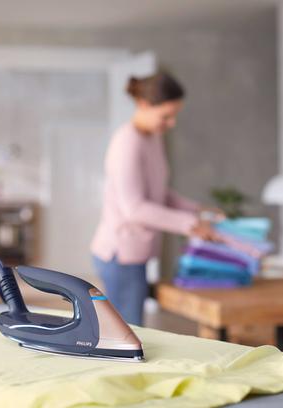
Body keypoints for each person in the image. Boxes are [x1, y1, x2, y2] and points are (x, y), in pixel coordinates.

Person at [90, 70, 223, 326]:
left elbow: (159, 193)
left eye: (174, 115)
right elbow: (135, 208)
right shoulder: (127, 143)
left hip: (134, 253)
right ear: (143, 104)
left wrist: (199, 210)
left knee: (131, 329)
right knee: (128, 333)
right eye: (166, 116)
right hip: (119, 254)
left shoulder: (152, 138)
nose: (171, 123)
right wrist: (191, 225)